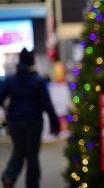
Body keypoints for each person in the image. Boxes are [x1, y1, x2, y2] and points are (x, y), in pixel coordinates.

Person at [1, 48, 60, 188]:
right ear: (32, 62)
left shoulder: (10, 80)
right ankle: (32, 185)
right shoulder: (38, 81)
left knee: (19, 150)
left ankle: (9, 176)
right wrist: (55, 124)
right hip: (34, 122)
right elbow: (47, 105)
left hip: (15, 122)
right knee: (32, 155)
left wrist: (7, 108)